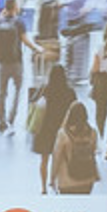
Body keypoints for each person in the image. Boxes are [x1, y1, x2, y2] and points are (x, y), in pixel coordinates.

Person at [0, 0, 39, 135]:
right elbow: (25, 40)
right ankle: (11, 117)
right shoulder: (19, 23)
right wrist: (37, 49)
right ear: (15, 6)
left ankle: (1, 121)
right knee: (17, 90)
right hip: (16, 62)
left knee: (1, 92)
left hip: (1, 62)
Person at [28, 63, 75, 195]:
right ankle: (54, 182)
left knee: (44, 160)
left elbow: (32, 101)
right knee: (60, 160)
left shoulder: (45, 89)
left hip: (45, 130)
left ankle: (43, 187)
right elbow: (74, 108)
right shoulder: (69, 92)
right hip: (62, 130)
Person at [50, 100, 99, 193]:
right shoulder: (93, 133)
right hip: (87, 179)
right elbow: (93, 152)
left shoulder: (63, 134)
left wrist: (52, 178)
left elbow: (56, 158)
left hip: (67, 181)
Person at [89, 18, 107, 158]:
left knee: (101, 112)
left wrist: (91, 77)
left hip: (102, 82)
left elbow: (95, 68)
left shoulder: (101, 47)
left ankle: (99, 140)